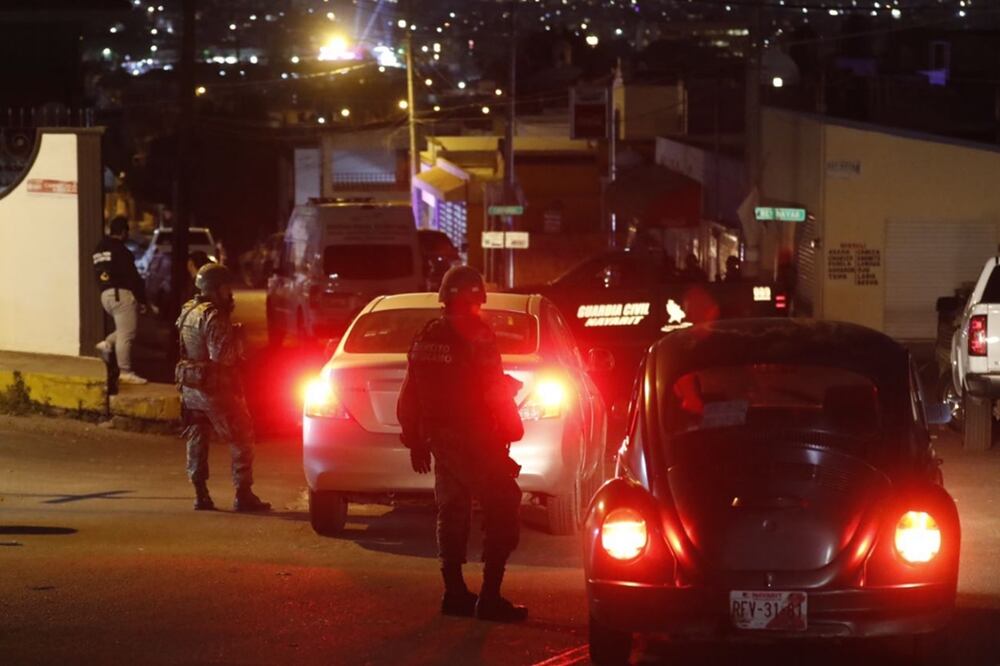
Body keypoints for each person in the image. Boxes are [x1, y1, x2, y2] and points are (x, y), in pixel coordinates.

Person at [397, 265, 528, 623]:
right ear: (476, 299)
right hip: (474, 437)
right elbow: (491, 388)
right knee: (504, 504)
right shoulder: (478, 335)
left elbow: (411, 390)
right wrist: (513, 426)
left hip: (440, 439)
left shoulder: (426, 334)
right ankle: (489, 598)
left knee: (452, 510)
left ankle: (454, 592)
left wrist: (415, 439)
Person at [175, 263, 271, 513]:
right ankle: (243, 493)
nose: (230, 294)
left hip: (190, 387)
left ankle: (200, 493)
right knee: (242, 436)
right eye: (227, 289)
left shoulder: (188, 310)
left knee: (197, 438)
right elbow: (224, 357)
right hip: (214, 389)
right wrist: (238, 338)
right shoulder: (213, 316)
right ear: (216, 289)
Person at [92, 215, 148, 384]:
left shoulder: (99, 248)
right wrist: (142, 300)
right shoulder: (122, 251)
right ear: (123, 232)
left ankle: (107, 344)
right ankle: (125, 371)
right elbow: (133, 277)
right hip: (121, 294)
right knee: (127, 334)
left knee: (124, 329)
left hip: (105, 294)